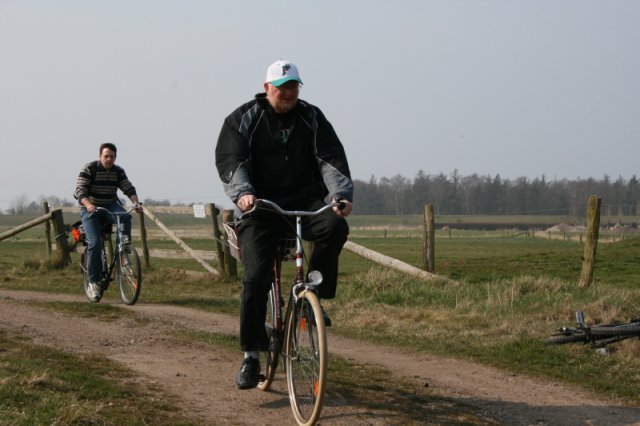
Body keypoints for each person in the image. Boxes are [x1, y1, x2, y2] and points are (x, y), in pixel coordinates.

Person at [215, 59, 354, 390]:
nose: (288, 93)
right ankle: (251, 355)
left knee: (334, 227)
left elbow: (331, 159)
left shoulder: (312, 117)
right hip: (260, 206)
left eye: (293, 86)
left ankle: (313, 295)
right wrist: (243, 193)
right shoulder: (244, 118)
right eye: (281, 87)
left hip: (305, 200)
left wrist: (340, 196)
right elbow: (232, 159)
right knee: (255, 278)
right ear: (267, 88)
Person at [74, 142, 141, 302]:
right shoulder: (89, 169)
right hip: (91, 209)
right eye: (106, 156)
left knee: (125, 216)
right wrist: (88, 204)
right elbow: (80, 191)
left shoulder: (118, 171)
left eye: (112, 156)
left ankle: (123, 251)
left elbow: (128, 188)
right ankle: (93, 283)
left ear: (115, 157)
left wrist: (136, 202)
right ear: (100, 156)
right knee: (95, 243)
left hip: (110, 206)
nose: (109, 159)